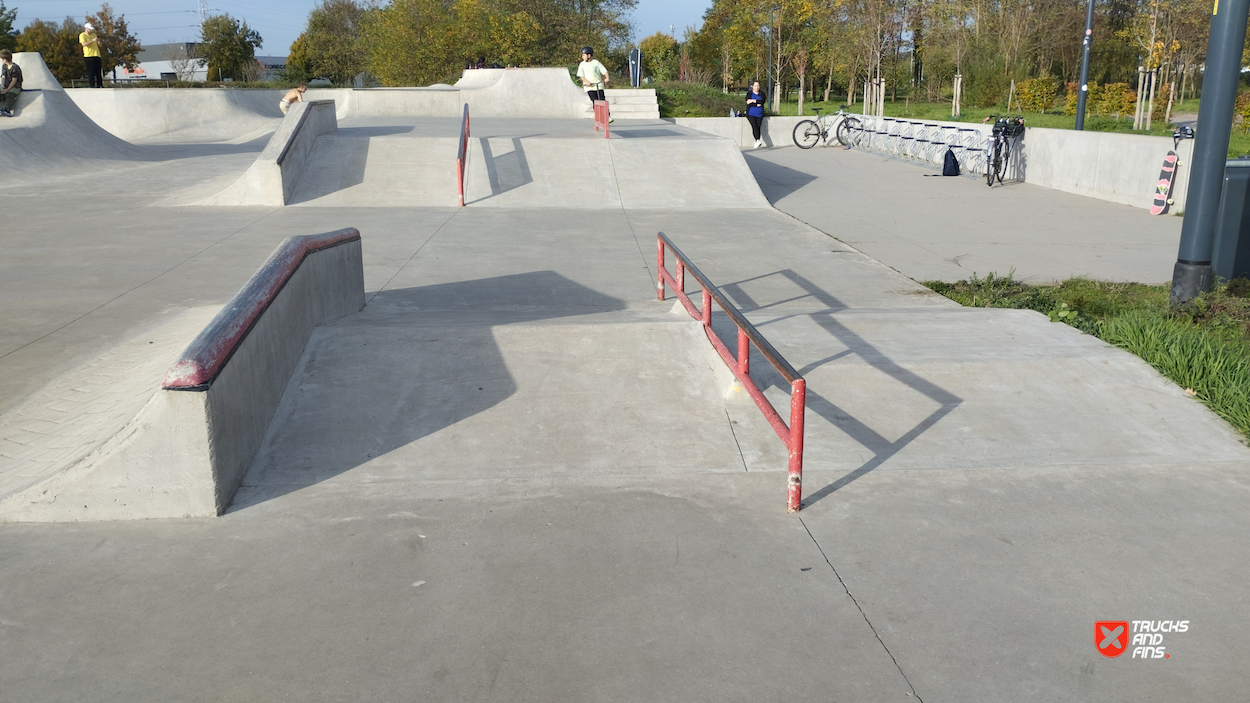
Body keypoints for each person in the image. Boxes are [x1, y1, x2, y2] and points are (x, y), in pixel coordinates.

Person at [80, 22, 103, 88]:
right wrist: (92, 41)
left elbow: (100, 45)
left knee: (98, 72)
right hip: (88, 56)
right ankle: (91, 85)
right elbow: (84, 44)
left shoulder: (94, 35)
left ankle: (100, 85)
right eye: (89, 29)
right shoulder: (82, 35)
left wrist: (99, 41)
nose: (91, 31)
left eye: (91, 29)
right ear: (86, 28)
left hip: (96, 54)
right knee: (91, 72)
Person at [0, 50, 22, 117]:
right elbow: (3, 76)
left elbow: (14, 80)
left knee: (10, 94)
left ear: (5, 59)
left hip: (15, 86)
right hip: (6, 85)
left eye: (1, 59)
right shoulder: (4, 66)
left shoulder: (15, 68)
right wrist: (2, 86)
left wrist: (7, 90)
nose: (1, 60)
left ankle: (7, 109)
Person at [745, 80, 765, 148]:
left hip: (759, 114)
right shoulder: (749, 93)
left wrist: (753, 100)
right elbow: (748, 102)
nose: (757, 87)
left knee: (758, 127)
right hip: (751, 114)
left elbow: (762, 101)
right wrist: (757, 104)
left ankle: (757, 141)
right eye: (755, 86)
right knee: (754, 126)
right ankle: (757, 140)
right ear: (752, 86)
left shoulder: (762, 94)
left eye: (758, 86)